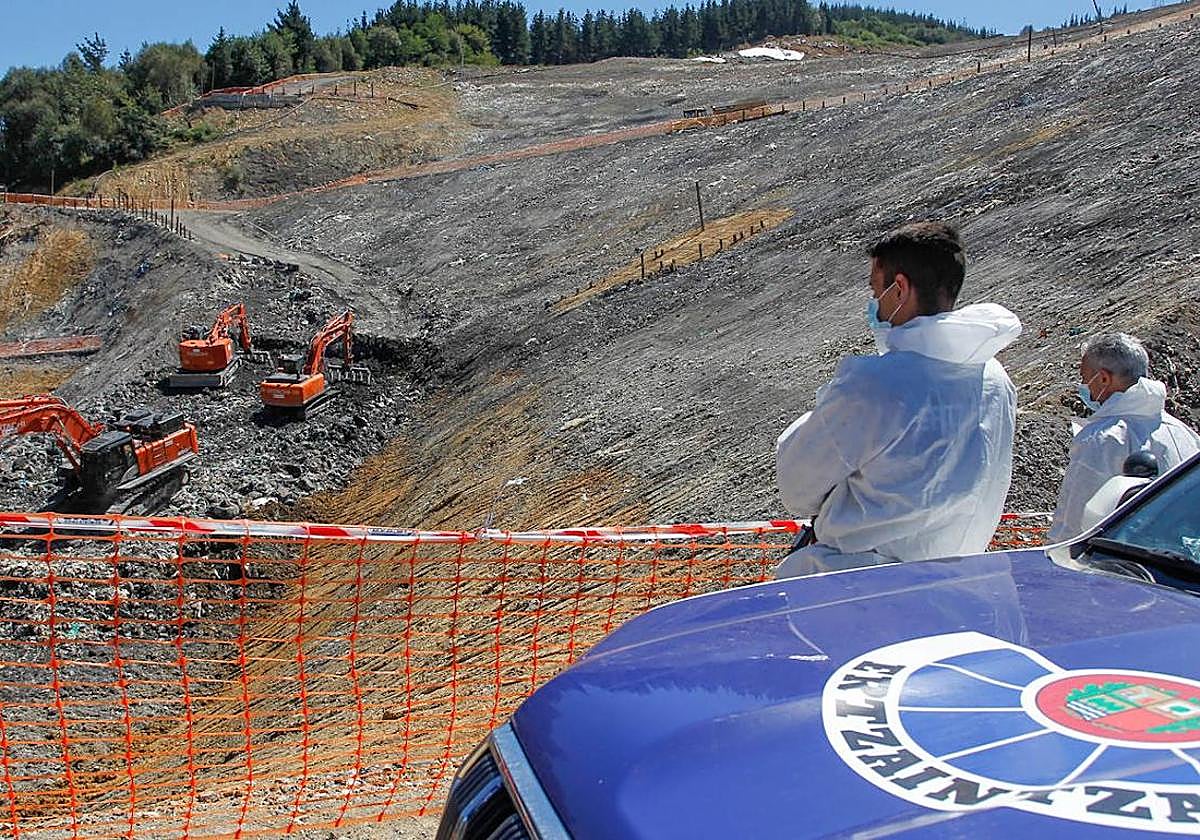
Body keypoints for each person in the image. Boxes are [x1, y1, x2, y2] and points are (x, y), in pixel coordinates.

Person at [775, 222, 1022, 578]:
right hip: (958, 584)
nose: (874, 303)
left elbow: (798, 486)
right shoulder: (997, 381)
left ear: (900, 288)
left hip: (857, 591)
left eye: (877, 290)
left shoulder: (875, 384)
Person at [1048, 333, 1200, 542]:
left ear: (1103, 378)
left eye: (1085, 378)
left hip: (1119, 563)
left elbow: (1074, 522)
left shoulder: (1102, 438)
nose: (1084, 387)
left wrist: (1055, 559)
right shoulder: (1182, 432)